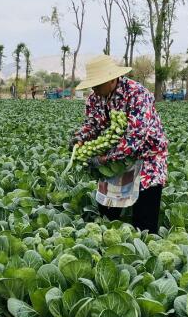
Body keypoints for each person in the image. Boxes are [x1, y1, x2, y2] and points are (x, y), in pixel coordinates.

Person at [71, 55, 169, 234]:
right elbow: (92, 124)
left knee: (145, 220)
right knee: (107, 214)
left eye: (97, 84)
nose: (94, 88)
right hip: (114, 162)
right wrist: (80, 138)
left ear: (111, 80)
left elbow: (135, 138)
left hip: (147, 160)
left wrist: (104, 158)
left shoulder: (137, 95)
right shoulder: (95, 98)